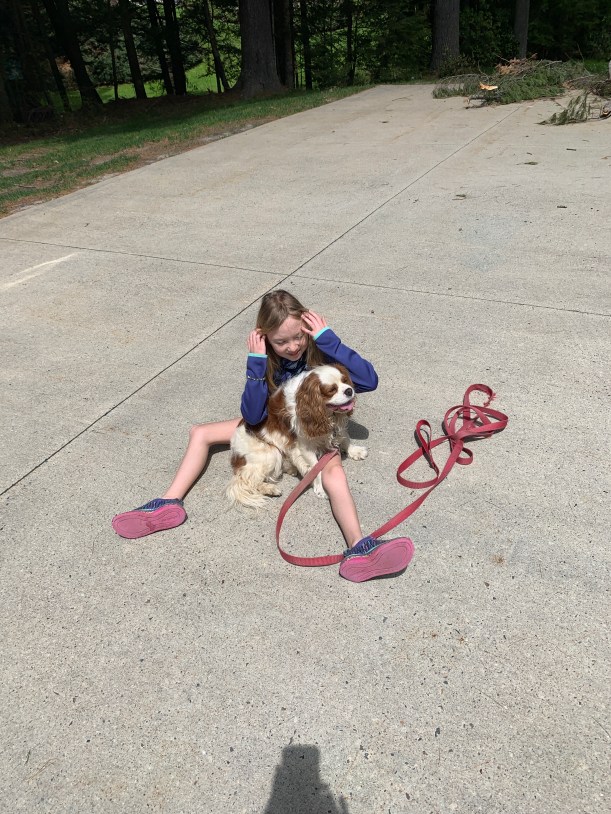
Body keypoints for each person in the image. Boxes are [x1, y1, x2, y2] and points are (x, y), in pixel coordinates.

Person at [112, 290, 413, 582]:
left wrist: (329, 341)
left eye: (298, 337)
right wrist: (256, 363)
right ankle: (168, 502)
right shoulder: (265, 361)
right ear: (265, 337)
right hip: (272, 421)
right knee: (200, 432)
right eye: (281, 341)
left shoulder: (320, 352)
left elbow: (369, 381)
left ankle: (358, 545)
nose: (292, 347)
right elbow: (253, 416)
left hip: (311, 427)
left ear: (308, 330)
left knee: (334, 472)